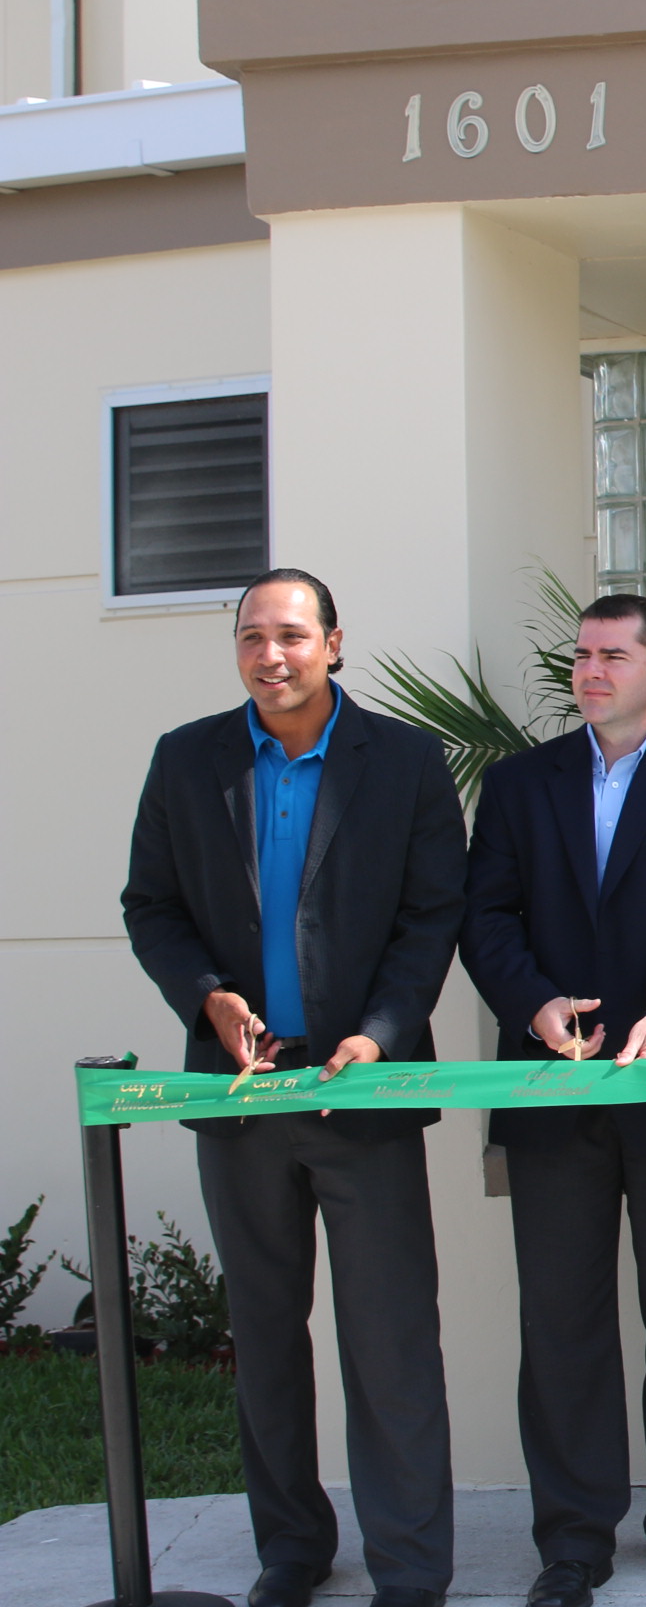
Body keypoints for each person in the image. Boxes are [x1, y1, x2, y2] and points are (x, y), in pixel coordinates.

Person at [119, 569, 466, 1607]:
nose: (270, 655)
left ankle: (410, 1569)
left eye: (291, 636)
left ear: (334, 643)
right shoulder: (187, 760)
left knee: (391, 1337)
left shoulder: (405, 760)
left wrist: (379, 1036)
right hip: (240, 1097)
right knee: (267, 1335)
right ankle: (292, 1549)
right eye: (251, 637)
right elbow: (152, 907)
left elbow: (430, 915)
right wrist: (207, 1000)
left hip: (362, 1090)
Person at [458, 594, 646, 1605]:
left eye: (613, 655)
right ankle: (574, 1538)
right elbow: (486, 917)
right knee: (562, 1325)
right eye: (582, 655)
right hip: (551, 1090)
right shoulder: (516, 786)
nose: (590, 670)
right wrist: (537, 1005)